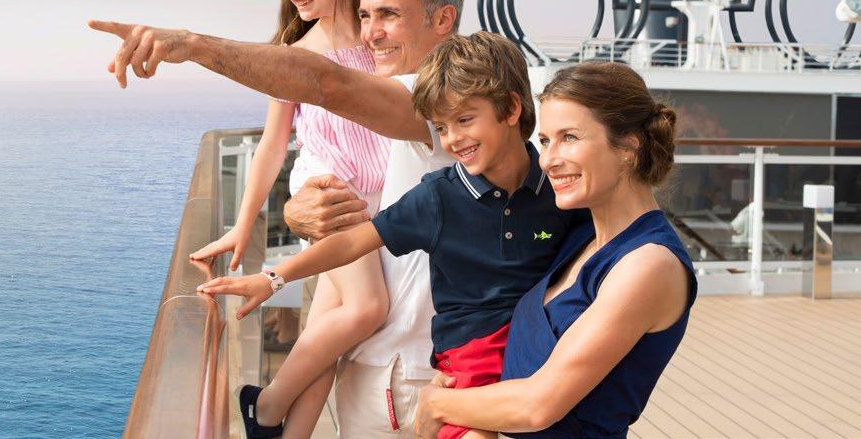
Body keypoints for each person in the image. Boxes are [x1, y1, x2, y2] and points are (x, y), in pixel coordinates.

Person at [90, 0, 463, 437]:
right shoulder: (412, 90)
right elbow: (375, 212)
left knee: (346, 314)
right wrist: (289, 229)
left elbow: (325, 84)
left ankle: (264, 409)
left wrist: (193, 45)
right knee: (331, 324)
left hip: (405, 376)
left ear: (443, 19)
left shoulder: (441, 101)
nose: (372, 31)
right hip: (380, 364)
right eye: (366, 15)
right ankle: (269, 417)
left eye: (389, 15)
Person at [196, 32, 590, 439]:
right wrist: (273, 279)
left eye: (464, 120)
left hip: (537, 354)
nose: (453, 139)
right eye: (441, 126)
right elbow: (354, 242)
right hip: (471, 364)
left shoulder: (558, 187)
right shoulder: (438, 197)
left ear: (511, 108)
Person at [410, 62, 695, 438]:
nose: (548, 160)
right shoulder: (580, 238)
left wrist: (436, 403)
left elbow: (537, 406)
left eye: (569, 137)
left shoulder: (648, 264)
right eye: (545, 141)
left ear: (628, 145)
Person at [186, 0, 389, 439]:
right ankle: (267, 405)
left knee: (326, 334)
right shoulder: (293, 56)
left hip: (376, 198)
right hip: (329, 195)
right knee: (367, 308)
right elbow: (273, 145)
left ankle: (280, 429)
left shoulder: (381, 42)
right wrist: (242, 224)